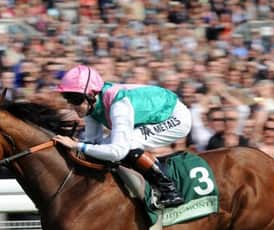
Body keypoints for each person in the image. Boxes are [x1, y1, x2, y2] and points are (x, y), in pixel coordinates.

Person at [53, 64, 191, 208]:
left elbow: (118, 151)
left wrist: (77, 145)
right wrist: (79, 144)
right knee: (104, 147)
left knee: (129, 143)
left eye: (75, 99)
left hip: (175, 118)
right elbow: (93, 142)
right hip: (151, 117)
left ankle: (169, 190)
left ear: (91, 95)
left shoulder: (119, 105)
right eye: (67, 98)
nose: (71, 105)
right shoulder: (91, 105)